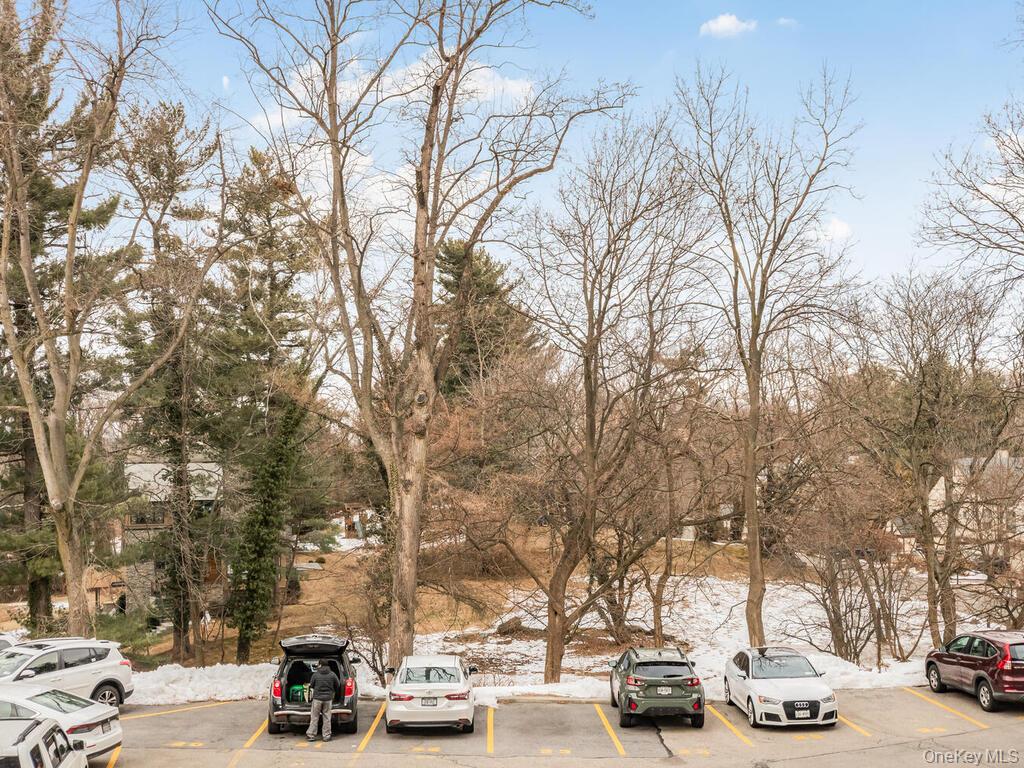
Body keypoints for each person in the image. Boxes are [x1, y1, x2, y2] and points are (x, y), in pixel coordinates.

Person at [306, 659, 341, 742]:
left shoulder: (316, 674)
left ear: (320, 665)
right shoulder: (332, 674)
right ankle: (326, 736)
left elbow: (311, 685)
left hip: (317, 699)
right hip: (328, 699)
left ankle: (311, 735)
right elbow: (338, 684)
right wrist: (332, 691)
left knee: (314, 717)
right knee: (327, 717)